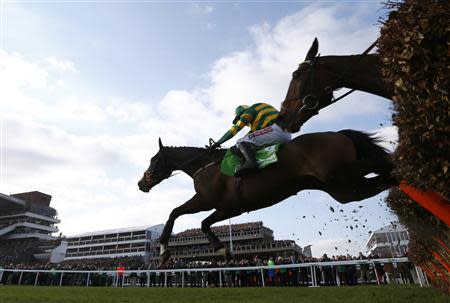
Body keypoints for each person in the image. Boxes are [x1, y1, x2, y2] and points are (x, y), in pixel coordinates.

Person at [210, 103, 291, 176]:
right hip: (285, 132)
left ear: (243, 113)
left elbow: (235, 129)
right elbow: (249, 137)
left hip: (276, 130)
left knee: (240, 141)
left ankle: (251, 163)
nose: (242, 121)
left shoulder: (250, 110)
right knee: (245, 142)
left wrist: (218, 143)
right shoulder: (257, 122)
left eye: (239, 118)